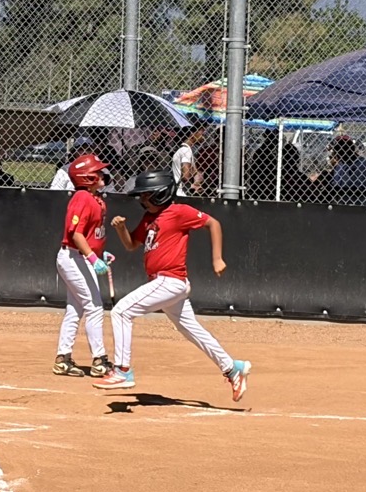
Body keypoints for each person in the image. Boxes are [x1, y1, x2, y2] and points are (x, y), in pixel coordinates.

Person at [92, 169, 251, 401]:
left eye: (146, 195)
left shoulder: (178, 212)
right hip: (162, 282)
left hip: (170, 280)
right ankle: (232, 367)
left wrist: (217, 258)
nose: (142, 200)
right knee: (191, 330)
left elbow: (213, 223)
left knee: (121, 312)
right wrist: (121, 229)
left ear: (161, 194)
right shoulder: (149, 218)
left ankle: (123, 371)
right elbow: (131, 245)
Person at [53, 153, 113, 378]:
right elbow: (76, 234)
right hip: (74, 258)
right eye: (97, 172)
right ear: (86, 177)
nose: (102, 174)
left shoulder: (95, 199)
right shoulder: (82, 198)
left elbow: (89, 235)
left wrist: (100, 252)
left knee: (75, 309)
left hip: (81, 257)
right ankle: (99, 360)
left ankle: (63, 358)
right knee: (94, 307)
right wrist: (92, 258)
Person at [324, 132, 366, 207]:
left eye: (342, 148)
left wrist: (340, 191)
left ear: (351, 148)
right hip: (340, 204)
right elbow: (334, 184)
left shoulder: (363, 165)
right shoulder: (340, 165)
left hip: (357, 206)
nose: (338, 152)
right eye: (337, 148)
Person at [171, 123, 206, 195]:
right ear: (192, 134)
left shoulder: (183, 150)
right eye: (200, 131)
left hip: (179, 191)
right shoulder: (186, 151)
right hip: (182, 193)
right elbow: (186, 176)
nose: (203, 134)